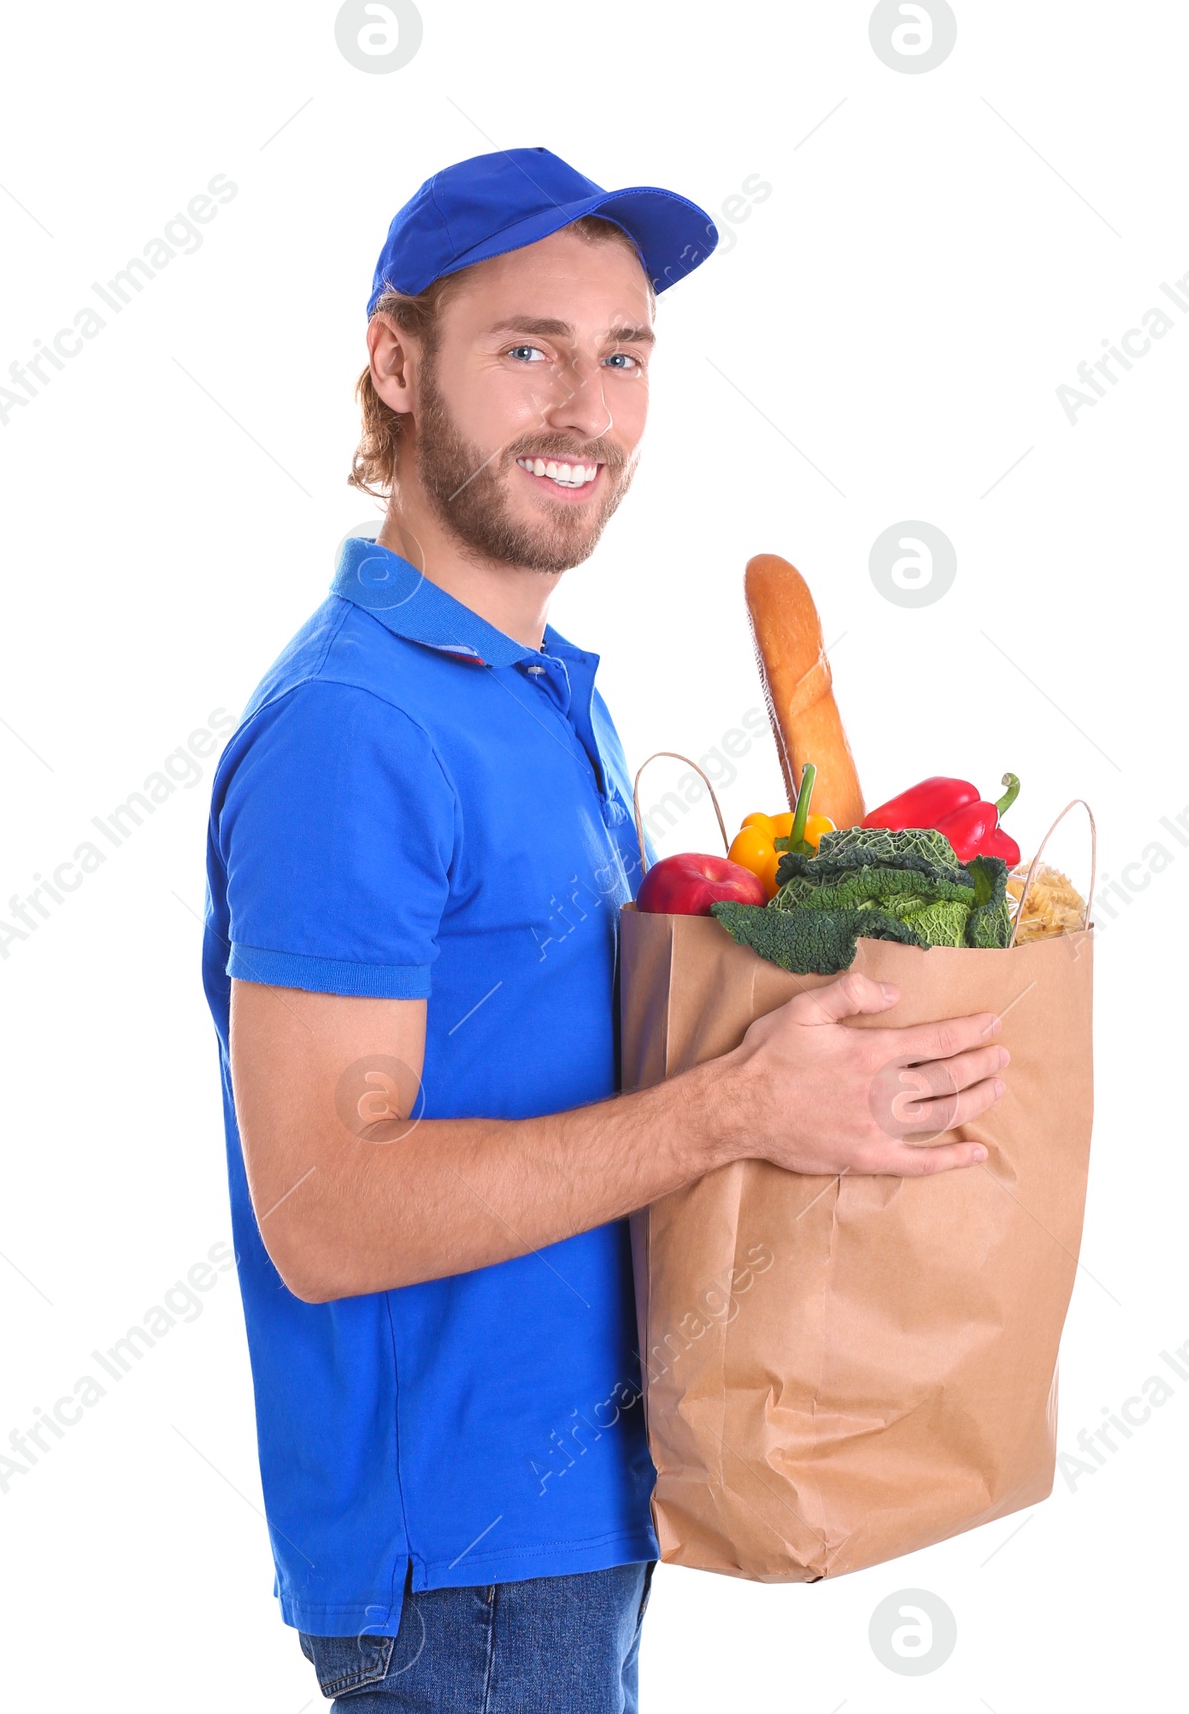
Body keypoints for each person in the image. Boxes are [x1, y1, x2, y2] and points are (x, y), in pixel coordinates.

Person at [201, 146, 1009, 1712]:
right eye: (527, 350)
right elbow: (327, 1212)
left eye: (623, 355)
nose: (586, 405)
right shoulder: (355, 729)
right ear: (395, 364)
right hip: (463, 1566)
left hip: (577, 1517)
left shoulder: (536, 692)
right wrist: (741, 1103)